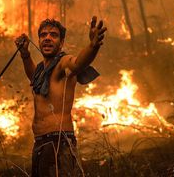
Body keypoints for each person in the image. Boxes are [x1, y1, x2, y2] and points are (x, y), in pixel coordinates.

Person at [15, 17, 107, 177]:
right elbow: (33, 77)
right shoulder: (41, 70)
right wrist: (25, 54)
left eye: (53, 35)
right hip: (40, 143)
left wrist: (93, 45)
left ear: (62, 42)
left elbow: (78, 63)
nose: (47, 38)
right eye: (43, 35)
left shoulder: (63, 63)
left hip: (59, 142)